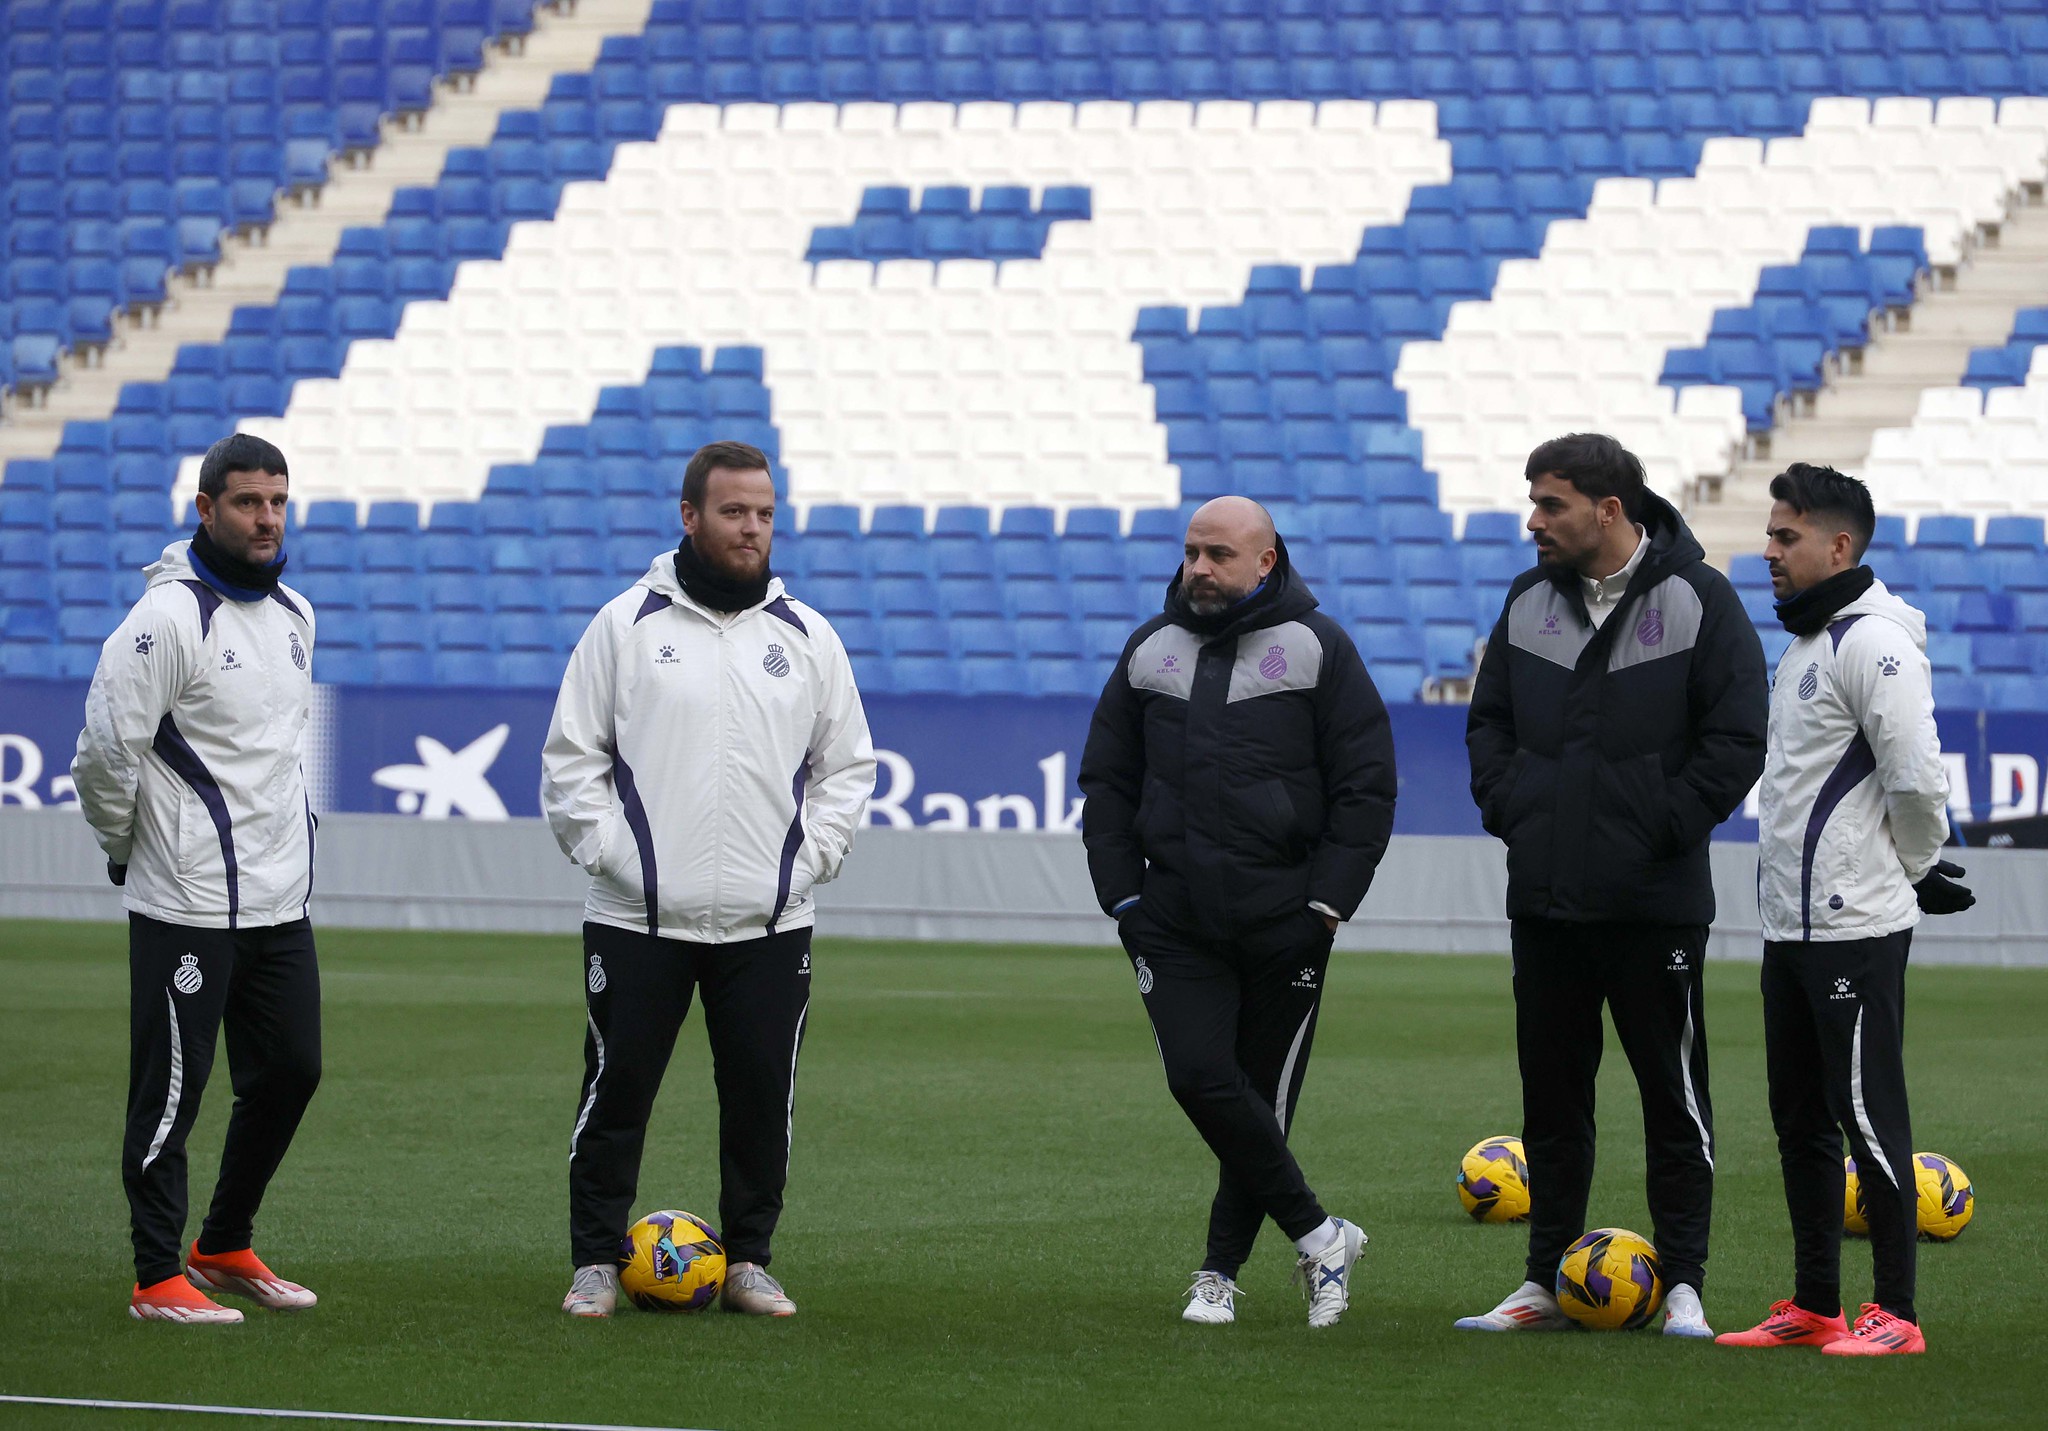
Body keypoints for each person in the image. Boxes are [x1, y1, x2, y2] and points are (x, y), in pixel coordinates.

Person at [541, 440, 875, 1319]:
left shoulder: (807, 636)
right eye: (733, 512)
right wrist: (619, 859)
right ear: (690, 517)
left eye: (764, 513)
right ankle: (593, 1262)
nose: (751, 528)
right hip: (637, 918)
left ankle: (751, 1258)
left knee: (763, 1098)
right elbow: (571, 760)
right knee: (616, 1093)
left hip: (770, 924)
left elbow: (847, 766)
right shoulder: (625, 625)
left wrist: (809, 861)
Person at [1461, 433, 1766, 1338]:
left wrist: (1657, 828)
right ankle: (1544, 1281)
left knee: (1673, 1100)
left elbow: (1736, 741)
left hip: (1654, 904)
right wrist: (1516, 808)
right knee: (1552, 1104)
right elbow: (1490, 728)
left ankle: (1684, 1285)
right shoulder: (1525, 601)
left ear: (1608, 509)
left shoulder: (1701, 600)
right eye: (1532, 500)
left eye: (1549, 503)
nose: (1533, 520)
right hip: (1545, 901)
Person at [1078, 495, 1398, 1329]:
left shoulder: (1320, 647)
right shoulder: (1149, 649)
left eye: (1218, 553)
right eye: (1191, 552)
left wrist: (1325, 906)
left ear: (1266, 561)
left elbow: (1365, 786)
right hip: (1173, 918)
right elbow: (1106, 782)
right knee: (1199, 1078)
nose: (1199, 569)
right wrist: (1125, 898)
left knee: (1261, 1098)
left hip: (1285, 920)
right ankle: (1323, 1235)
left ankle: (1218, 1271)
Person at [1716, 464, 1969, 1358]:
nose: (1769, 551)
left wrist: (1921, 863)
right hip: (1790, 927)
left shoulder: (1874, 642)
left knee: (1866, 1115)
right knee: (1799, 1118)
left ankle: (1895, 1312)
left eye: (1786, 537)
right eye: (1771, 534)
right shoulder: (1806, 643)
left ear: (1840, 546)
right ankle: (1818, 1302)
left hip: (1854, 926)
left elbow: (1913, 773)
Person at [73, 433, 323, 1325]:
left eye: (277, 502)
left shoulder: (295, 613)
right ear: (205, 508)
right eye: (249, 502)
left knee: (293, 1070)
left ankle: (221, 1243)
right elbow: (105, 750)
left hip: (277, 901)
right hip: (185, 898)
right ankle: (154, 1276)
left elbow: (279, 757)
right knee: (173, 1091)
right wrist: (126, 845)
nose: (266, 519)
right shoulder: (168, 618)